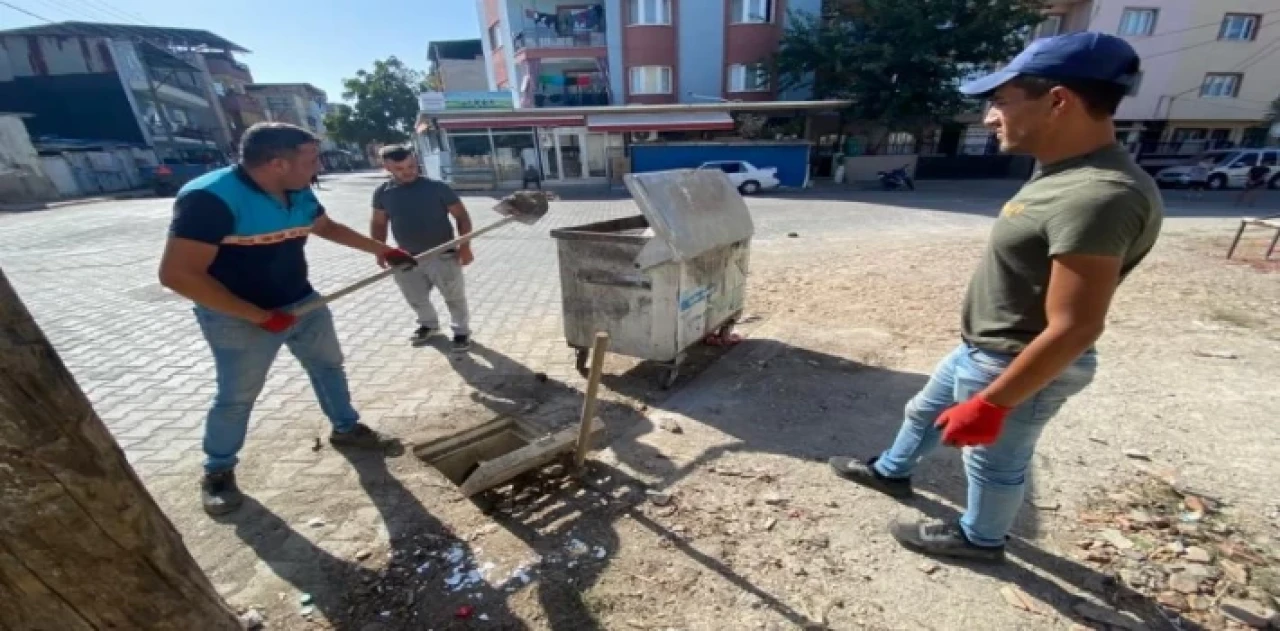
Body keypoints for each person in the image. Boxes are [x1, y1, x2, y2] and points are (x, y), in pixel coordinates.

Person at [827, 32, 1163, 562]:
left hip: (1014, 362)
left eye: (1001, 101)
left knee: (993, 463)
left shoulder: (1099, 195)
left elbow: (1076, 327)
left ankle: (981, 539)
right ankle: (891, 472)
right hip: (983, 349)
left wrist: (992, 403)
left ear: (1058, 100)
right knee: (923, 411)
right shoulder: (1065, 176)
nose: (989, 118)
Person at [158, 122, 417, 516]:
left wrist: (382, 250)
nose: (319, 167)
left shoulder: (297, 190)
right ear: (278, 163)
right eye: (312, 159)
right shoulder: (209, 199)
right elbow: (177, 274)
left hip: (302, 303)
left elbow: (325, 226)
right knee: (236, 396)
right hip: (236, 317)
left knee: (329, 366)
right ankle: (218, 471)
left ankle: (346, 429)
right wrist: (258, 316)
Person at [370, 145, 475, 352]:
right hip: (406, 258)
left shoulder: (437, 188)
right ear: (386, 167)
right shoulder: (383, 193)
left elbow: (461, 216)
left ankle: (461, 332)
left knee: (454, 297)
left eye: (411, 165)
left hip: (443, 255)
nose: (407, 172)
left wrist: (465, 246)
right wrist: (379, 250)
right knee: (415, 298)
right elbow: (379, 223)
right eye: (399, 169)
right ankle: (428, 325)